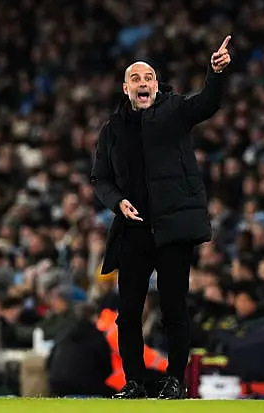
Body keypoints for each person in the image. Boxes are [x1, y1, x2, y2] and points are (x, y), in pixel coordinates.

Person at [90, 36, 232, 399]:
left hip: (172, 228)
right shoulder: (112, 130)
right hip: (134, 230)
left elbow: (207, 102)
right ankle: (134, 382)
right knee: (128, 313)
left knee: (173, 308)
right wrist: (117, 202)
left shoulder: (174, 110)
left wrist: (215, 73)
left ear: (156, 84)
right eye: (136, 78)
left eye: (148, 77)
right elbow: (100, 178)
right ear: (126, 88)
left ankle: (175, 382)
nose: (143, 82)